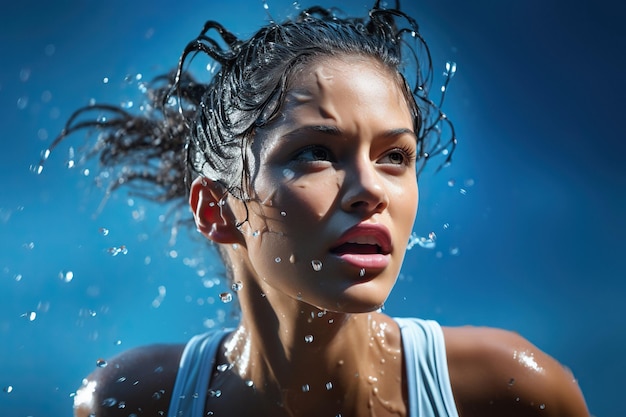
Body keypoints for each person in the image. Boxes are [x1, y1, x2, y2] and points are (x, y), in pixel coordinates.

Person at [55, 2, 589, 416]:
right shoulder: (135, 402)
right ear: (217, 209)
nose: (371, 188)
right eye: (315, 153)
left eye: (394, 157)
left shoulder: (509, 393)